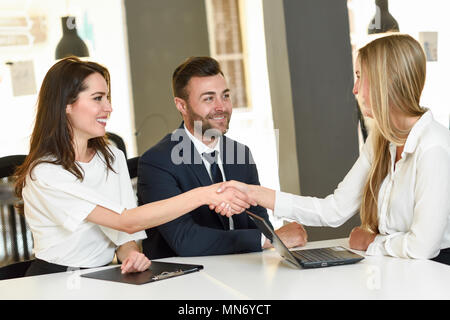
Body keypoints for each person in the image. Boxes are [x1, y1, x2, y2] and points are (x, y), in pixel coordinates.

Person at [216, 34, 450, 264]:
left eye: (360, 77)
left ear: (385, 81)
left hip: (435, 274)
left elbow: (422, 247)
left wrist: (371, 242)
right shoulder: (381, 140)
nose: (355, 89)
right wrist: (255, 193)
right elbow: (333, 210)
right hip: (398, 271)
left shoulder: (433, 146)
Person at [14, 56, 251, 276]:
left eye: (107, 98)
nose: (109, 107)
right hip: (56, 279)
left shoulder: (111, 157)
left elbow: (124, 234)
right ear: (66, 104)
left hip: (103, 275)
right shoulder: (45, 173)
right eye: (98, 98)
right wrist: (205, 194)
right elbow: (126, 220)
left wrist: (131, 255)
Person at [137, 56, 307, 259]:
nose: (221, 107)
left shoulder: (240, 154)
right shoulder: (158, 162)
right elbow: (185, 240)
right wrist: (268, 240)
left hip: (244, 270)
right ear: (181, 106)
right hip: (186, 281)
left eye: (225, 96)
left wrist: (269, 238)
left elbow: (260, 221)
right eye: (209, 98)